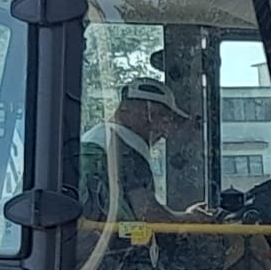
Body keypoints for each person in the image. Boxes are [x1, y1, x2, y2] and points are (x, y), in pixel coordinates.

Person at [80, 79, 215, 227]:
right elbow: (147, 214)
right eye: (161, 117)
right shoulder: (127, 148)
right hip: (109, 238)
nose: (164, 133)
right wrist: (190, 218)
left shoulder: (94, 138)